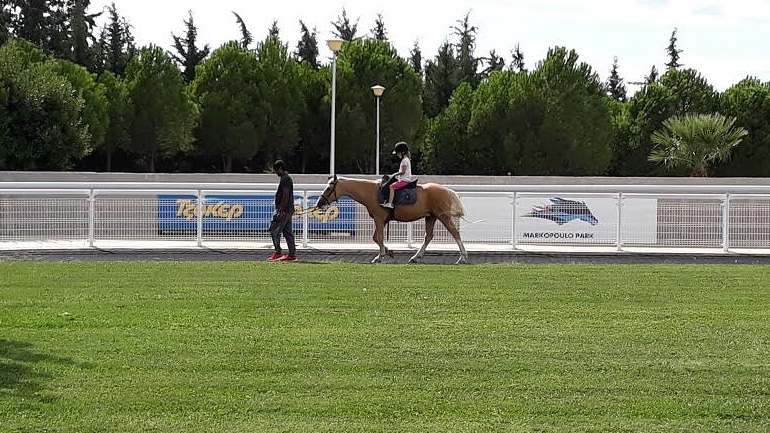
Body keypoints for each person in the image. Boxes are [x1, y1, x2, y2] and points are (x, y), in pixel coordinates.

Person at [267, 160, 297, 262]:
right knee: (288, 232)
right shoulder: (286, 178)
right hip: (288, 209)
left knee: (274, 230)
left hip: (284, 210)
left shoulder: (285, 179)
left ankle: (278, 252)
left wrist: (280, 210)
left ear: (280, 168)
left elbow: (286, 194)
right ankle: (292, 255)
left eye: (276, 170)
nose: (276, 173)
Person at [381, 142, 412, 209]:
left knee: (392, 187)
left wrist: (395, 174)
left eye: (398, 153)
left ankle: (390, 203)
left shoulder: (404, 161)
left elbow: (403, 172)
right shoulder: (406, 160)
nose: (397, 155)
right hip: (404, 179)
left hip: (404, 180)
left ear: (403, 152)